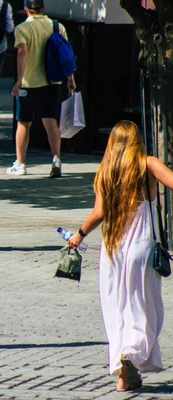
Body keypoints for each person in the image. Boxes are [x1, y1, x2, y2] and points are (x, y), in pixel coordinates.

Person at [68, 121, 167, 392]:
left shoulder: (105, 171)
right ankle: (131, 354)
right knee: (143, 305)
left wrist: (79, 234)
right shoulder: (147, 164)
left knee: (118, 308)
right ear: (137, 140)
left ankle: (124, 370)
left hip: (113, 252)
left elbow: (99, 214)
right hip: (142, 248)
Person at [8, 0, 75, 177]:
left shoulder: (22, 29)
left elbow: (22, 51)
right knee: (51, 121)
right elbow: (65, 55)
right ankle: (56, 160)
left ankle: (21, 164)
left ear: (26, 10)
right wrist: (70, 78)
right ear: (43, 9)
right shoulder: (57, 26)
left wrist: (18, 81)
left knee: (23, 123)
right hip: (52, 82)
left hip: (28, 84)